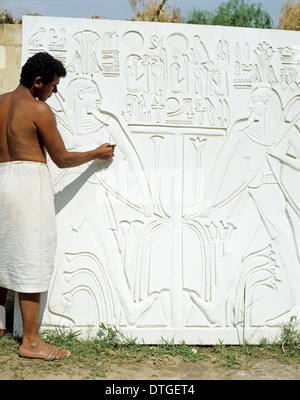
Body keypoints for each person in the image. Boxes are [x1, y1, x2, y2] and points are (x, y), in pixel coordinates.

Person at [0, 52, 115, 360]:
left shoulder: (0, 102)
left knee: (3, 254)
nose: (55, 91)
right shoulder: (39, 109)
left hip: (2, 179)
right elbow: (62, 159)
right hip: (27, 184)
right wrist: (96, 153)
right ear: (38, 83)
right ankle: (32, 342)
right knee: (31, 257)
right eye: (53, 85)